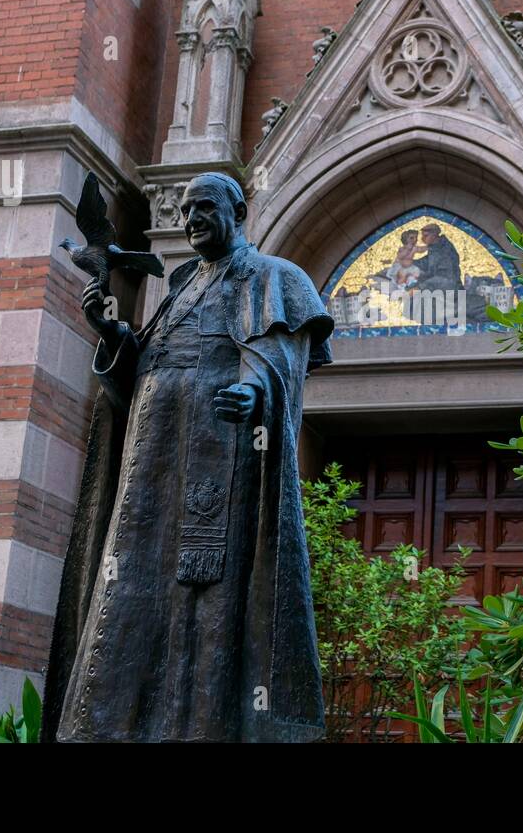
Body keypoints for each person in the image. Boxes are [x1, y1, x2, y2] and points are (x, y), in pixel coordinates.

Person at [44, 171, 333, 742]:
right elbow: (136, 384)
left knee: (207, 607)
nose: (192, 220)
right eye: (184, 211)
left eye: (204, 208)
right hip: (149, 473)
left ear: (239, 210)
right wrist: (110, 334)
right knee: (127, 596)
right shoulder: (178, 286)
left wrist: (254, 395)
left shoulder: (275, 279)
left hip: (219, 471)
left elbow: (276, 364)